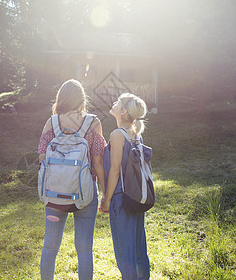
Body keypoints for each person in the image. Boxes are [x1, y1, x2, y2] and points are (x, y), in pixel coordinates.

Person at [37, 79, 107, 280]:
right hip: (85, 193)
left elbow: (42, 157)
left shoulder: (52, 123)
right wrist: (105, 194)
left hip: (54, 193)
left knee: (50, 246)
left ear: (61, 98)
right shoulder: (93, 123)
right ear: (81, 99)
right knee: (84, 249)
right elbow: (98, 162)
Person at [100, 93, 151, 280]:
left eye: (117, 102)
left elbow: (114, 171)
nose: (113, 103)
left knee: (124, 254)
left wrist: (106, 199)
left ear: (122, 111)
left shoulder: (117, 134)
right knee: (138, 249)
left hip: (120, 198)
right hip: (136, 196)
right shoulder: (136, 134)